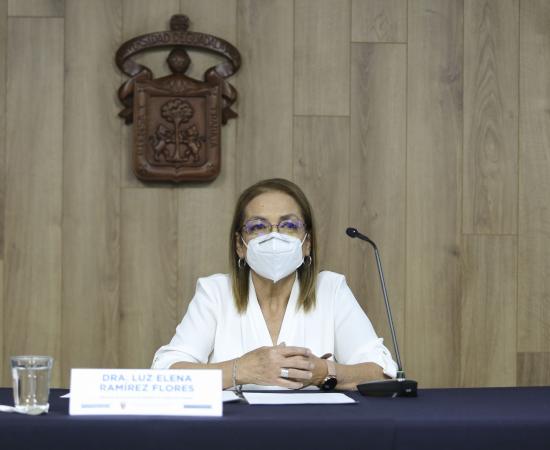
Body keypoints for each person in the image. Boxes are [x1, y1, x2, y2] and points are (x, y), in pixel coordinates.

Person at [152, 178, 397, 390]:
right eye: (258, 226)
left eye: (289, 226)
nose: (274, 236)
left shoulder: (330, 289)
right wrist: (240, 370)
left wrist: (324, 372)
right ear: (239, 245)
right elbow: (164, 372)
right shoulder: (215, 293)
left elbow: (382, 372)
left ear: (307, 243)